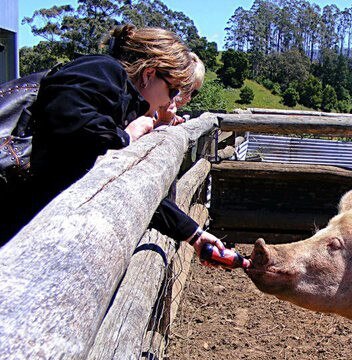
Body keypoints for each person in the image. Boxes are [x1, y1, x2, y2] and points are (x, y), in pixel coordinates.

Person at [0, 25, 224, 261]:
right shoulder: (105, 71)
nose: (170, 101)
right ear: (149, 74)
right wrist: (126, 137)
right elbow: (65, 116)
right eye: (172, 90)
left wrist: (193, 234)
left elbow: (124, 187)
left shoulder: (123, 104)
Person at [155, 52, 205, 127]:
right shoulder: (147, 111)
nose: (189, 99)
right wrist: (163, 122)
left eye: (194, 93)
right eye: (187, 88)